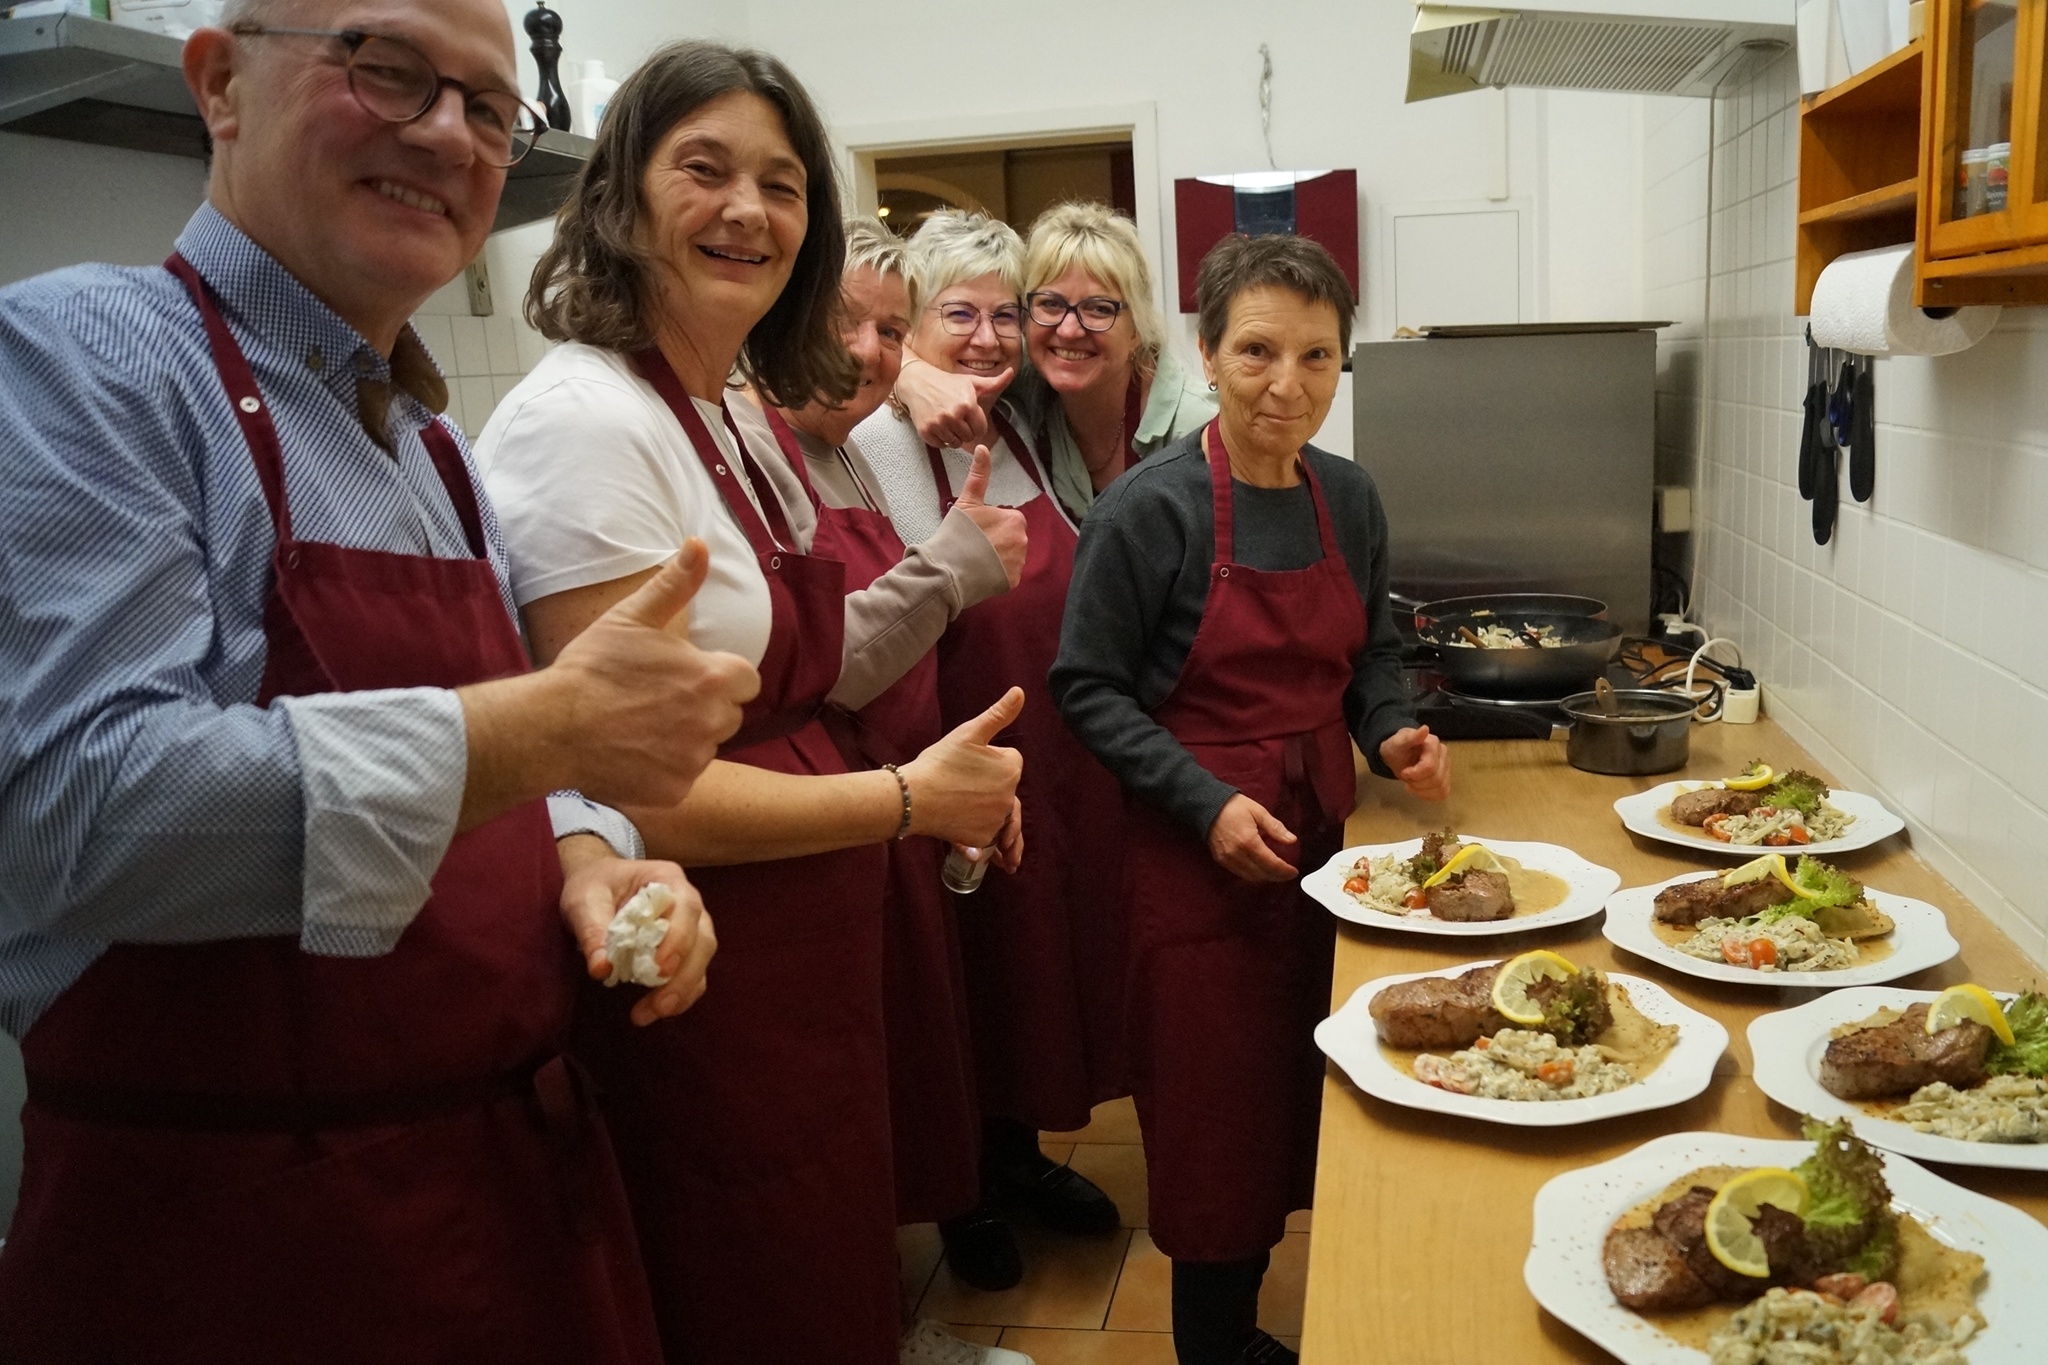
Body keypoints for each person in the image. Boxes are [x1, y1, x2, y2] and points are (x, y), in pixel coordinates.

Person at [0, 3, 761, 1362]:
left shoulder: (430, 447)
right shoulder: (86, 361)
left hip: (506, 1190)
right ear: (220, 84)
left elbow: (514, 763)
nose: (448, 137)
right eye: (389, 71)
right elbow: (80, 811)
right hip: (244, 1241)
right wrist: (548, 729)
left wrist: (589, 859)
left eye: (488, 108)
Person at [475, 45, 1024, 1365]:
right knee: (740, 1279)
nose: (748, 211)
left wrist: (939, 777)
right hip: (704, 960)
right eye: (703, 169)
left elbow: (809, 664)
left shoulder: (726, 410)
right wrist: (907, 800)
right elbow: (633, 789)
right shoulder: (583, 425)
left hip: (804, 936)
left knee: (819, 1252)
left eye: (782, 185)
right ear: (620, 194)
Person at [1049, 234, 1452, 1365]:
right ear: (1206, 353)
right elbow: (1085, 686)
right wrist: (1203, 802)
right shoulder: (1149, 512)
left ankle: (1258, 1322)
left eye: (1317, 356)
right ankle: (1215, 1348)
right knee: (1213, 1119)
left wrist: (1389, 732)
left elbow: (1369, 656)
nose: (1289, 384)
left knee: (1303, 1089)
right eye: (1258, 352)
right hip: (1193, 869)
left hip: (1324, 858)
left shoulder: (1349, 498)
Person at [728, 216, 1032, 1365]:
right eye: (845, 322)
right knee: (826, 1127)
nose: (868, 352)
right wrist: (953, 568)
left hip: (895, 811)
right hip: (817, 827)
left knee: (889, 1096)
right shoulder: (745, 453)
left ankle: (892, 1327)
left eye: (890, 332)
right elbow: (811, 669)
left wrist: (961, 776)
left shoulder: (847, 449)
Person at [857, 210, 1128, 1290]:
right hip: (941, 755)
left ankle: (1015, 1155)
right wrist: (901, 379)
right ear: (912, 325)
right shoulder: (882, 441)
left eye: (1004, 313)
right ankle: (960, 1188)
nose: (986, 335)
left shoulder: (1017, 423)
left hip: (1047, 761)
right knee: (957, 981)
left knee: (1030, 970)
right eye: (956, 313)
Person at [892, 200, 1213, 520]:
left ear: (1137, 331)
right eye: (1051, 304)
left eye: (1099, 309)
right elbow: (876, 349)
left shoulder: (1202, 428)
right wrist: (912, 376)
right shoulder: (1025, 386)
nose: (1070, 330)